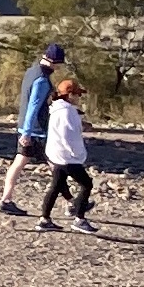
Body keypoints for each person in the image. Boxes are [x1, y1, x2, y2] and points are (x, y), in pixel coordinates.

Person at [0, 42, 65, 215]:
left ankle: (6, 199)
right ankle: (73, 203)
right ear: (54, 61)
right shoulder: (42, 79)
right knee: (56, 165)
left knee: (19, 163)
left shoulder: (31, 71)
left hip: (24, 127)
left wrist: (24, 131)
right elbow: (34, 106)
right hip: (36, 131)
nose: (59, 67)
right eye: (59, 63)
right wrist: (28, 133)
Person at [38, 77, 99, 235]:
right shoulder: (68, 111)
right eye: (77, 95)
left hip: (56, 154)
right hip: (68, 157)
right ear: (69, 95)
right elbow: (69, 135)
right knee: (86, 184)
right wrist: (77, 155)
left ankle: (44, 219)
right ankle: (79, 218)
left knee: (56, 186)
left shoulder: (57, 109)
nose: (79, 98)